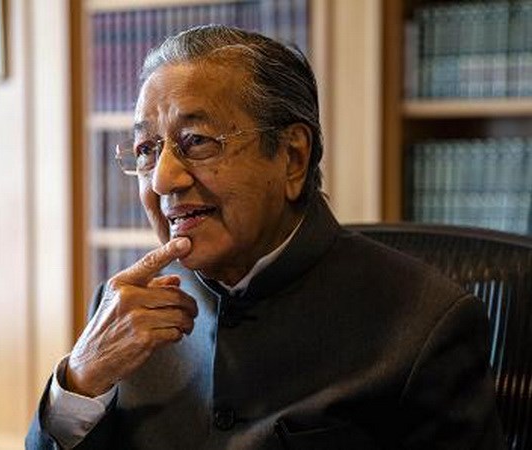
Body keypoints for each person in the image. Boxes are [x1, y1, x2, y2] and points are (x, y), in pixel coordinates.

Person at [26, 25, 505, 450]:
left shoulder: (426, 322)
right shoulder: (123, 306)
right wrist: (79, 382)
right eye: (147, 149)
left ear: (293, 158)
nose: (163, 179)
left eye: (197, 141)